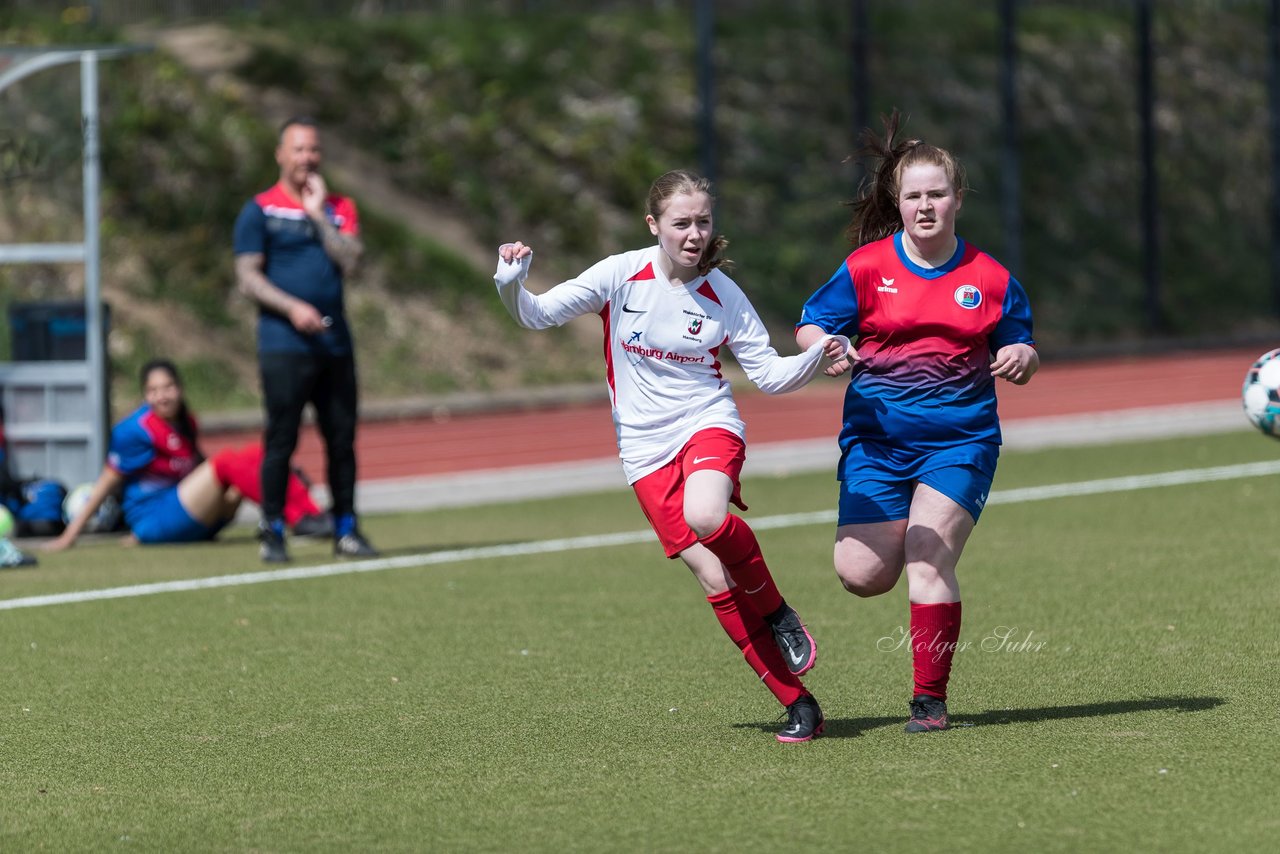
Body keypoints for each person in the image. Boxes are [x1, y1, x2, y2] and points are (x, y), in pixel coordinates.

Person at [493, 170, 850, 743]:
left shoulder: (722, 294)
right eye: (681, 223)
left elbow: (769, 375)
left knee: (707, 516)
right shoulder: (619, 275)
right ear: (653, 224)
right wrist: (511, 282)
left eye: (703, 222)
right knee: (712, 576)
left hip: (707, 421)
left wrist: (820, 354)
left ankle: (780, 612)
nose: (694, 234)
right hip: (642, 447)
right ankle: (798, 702)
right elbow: (534, 314)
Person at [795, 112, 1039, 733]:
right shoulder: (867, 268)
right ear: (897, 203)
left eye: (937, 194)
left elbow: (1023, 346)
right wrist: (826, 346)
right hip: (875, 443)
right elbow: (812, 323)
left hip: (960, 442)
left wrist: (1020, 356)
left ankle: (929, 702)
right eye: (914, 196)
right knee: (861, 575)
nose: (925, 206)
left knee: (928, 556)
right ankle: (901, 519)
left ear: (958, 199)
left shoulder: (990, 278)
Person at [234, 116, 378, 563]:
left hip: (335, 346)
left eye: (313, 150)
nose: (307, 158)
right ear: (280, 154)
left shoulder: (338, 207)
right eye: (298, 149)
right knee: (281, 439)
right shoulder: (259, 210)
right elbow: (247, 277)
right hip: (284, 345)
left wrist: (318, 216)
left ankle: (346, 529)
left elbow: (352, 261)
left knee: (341, 439)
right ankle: (273, 530)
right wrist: (292, 308)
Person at [44, 359, 331, 552]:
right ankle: (294, 518)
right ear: (145, 395)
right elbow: (105, 482)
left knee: (257, 454)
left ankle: (313, 515)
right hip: (153, 520)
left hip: (188, 513)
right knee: (227, 462)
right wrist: (69, 537)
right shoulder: (134, 431)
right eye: (153, 391)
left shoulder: (185, 423)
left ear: (179, 389)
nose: (162, 396)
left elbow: (199, 468)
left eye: (167, 387)